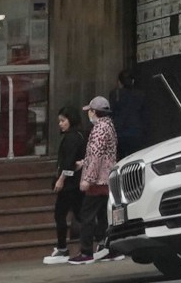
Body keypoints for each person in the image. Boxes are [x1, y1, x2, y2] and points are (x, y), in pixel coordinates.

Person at [76, 95, 119, 263]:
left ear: (94, 112)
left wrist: (87, 179)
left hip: (97, 181)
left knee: (86, 215)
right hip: (107, 178)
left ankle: (86, 252)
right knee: (103, 215)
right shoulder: (110, 126)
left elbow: (96, 155)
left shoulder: (99, 129)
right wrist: (84, 162)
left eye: (90, 111)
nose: (89, 114)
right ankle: (108, 248)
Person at [44, 106, 87, 265]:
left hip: (70, 184)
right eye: (59, 121)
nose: (61, 124)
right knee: (81, 215)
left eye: (63, 120)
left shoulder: (70, 138)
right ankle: (89, 245)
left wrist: (61, 179)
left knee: (60, 214)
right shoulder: (81, 135)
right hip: (77, 182)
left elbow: (68, 164)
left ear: (71, 120)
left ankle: (62, 248)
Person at [109, 69, 149, 161]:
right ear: (133, 81)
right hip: (136, 132)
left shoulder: (115, 94)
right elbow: (144, 114)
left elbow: (112, 112)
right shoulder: (140, 94)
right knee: (136, 158)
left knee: (121, 159)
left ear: (119, 82)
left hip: (119, 132)